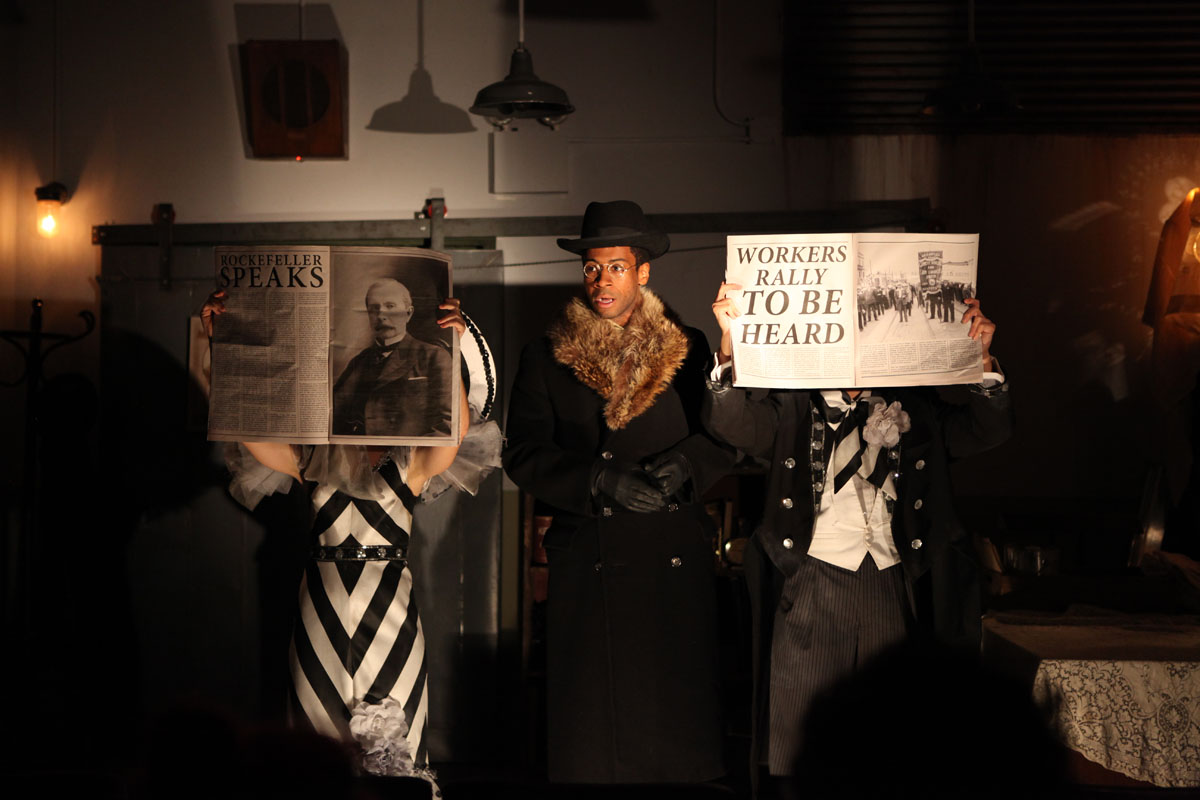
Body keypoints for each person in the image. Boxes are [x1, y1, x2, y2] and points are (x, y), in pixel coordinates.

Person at [703, 282, 1012, 786]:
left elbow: (987, 431)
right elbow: (733, 424)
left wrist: (982, 361)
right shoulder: (793, 406)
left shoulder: (914, 406)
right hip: (809, 576)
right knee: (800, 735)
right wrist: (730, 345)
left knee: (888, 736)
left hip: (890, 577)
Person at [203, 290, 500, 787]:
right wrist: (224, 346)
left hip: (390, 608)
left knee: (395, 751)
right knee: (315, 750)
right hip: (320, 608)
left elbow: (453, 432)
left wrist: (452, 347)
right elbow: (246, 425)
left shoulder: (411, 462)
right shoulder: (312, 460)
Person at [502, 200, 734, 784]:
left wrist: (685, 465)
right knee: (594, 738)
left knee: (673, 726)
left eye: (616, 267)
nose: (602, 281)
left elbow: (728, 436)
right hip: (590, 557)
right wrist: (599, 479)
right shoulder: (546, 355)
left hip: (670, 552)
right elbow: (521, 453)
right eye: (592, 268)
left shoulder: (689, 348)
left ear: (643, 272)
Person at [331, 278, 453, 437]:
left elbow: (447, 427)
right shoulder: (359, 361)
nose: (381, 315)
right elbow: (334, 413)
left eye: (390, 306)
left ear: (408, 313)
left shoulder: (434, 356)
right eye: (374, 309)